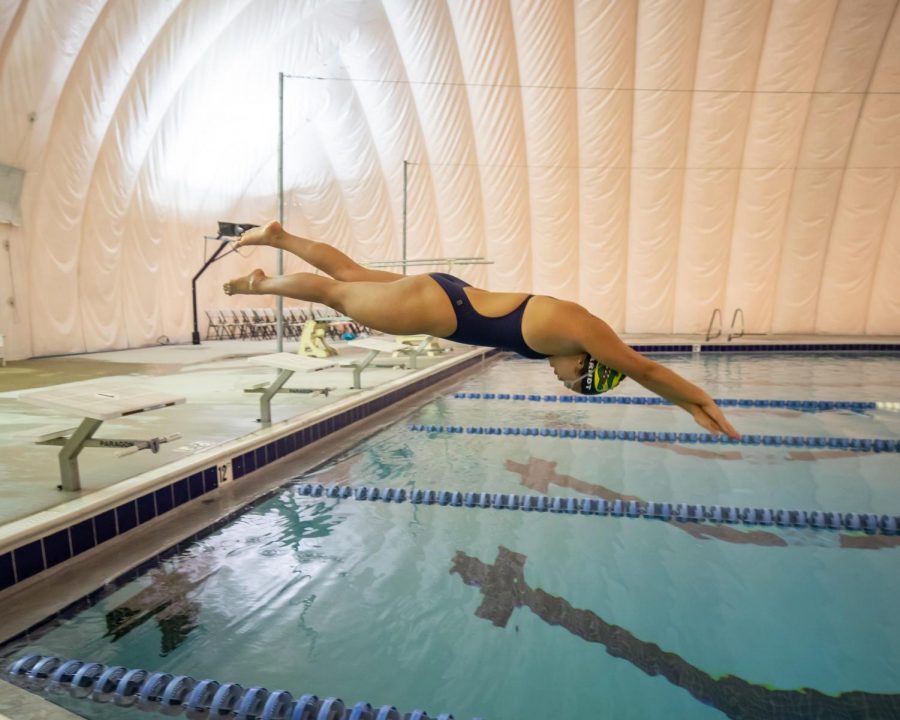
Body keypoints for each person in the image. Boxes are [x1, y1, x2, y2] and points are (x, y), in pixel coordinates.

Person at [224, 221, 739, 439]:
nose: (562, 382)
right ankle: (260, 283)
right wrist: (697, 401)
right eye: (573, 381)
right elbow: (643, 368)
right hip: (433, 308)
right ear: (588, 362)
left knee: (352, 276)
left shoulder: (565, 336)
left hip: (448, 294)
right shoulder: (581, 330)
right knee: (337, 293)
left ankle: (280, 236)